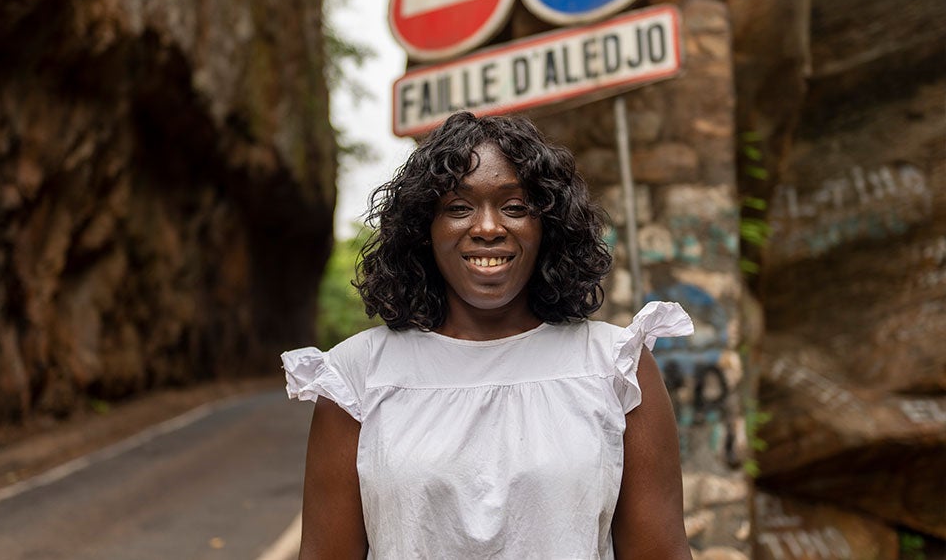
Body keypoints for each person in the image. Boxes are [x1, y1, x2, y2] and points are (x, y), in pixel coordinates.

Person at [282, 111, 693, 559]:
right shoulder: (356, 378)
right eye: (458, 208)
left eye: (515, 207)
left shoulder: (616, 367)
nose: (488, 228)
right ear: (424, 231)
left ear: (548, 228)